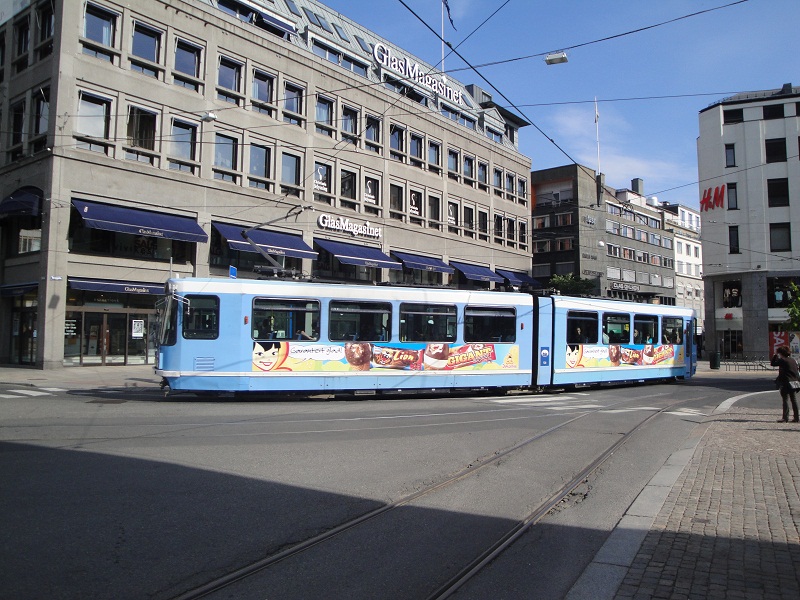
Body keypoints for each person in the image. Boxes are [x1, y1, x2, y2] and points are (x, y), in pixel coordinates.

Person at [770, 345, 799, 423]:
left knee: (785, 400)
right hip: (794, 382)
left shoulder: (783, 360)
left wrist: (775, 355)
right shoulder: (793, 360)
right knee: (794, 400)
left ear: (781, 353)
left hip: (786, 382)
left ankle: (785, 417)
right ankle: (796, 418)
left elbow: (773, 363)